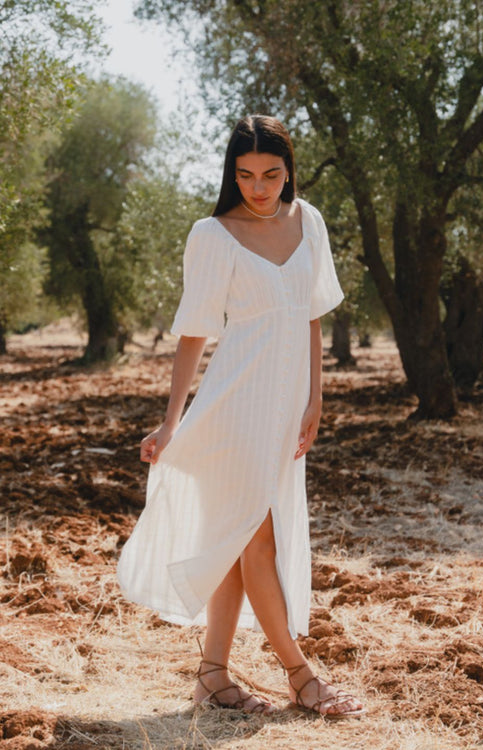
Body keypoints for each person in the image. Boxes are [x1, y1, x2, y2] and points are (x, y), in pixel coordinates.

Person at [117, 115, 364, 718]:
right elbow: (195, 331)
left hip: (284, 412)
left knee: (235, 538)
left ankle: (212, 676)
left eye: (272, 174)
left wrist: (317, 397)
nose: (259, 187)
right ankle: (301, 676)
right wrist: (172, 419)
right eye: (246, 174)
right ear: (232, 174)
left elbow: (311, 314)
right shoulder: (213, 233)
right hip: (233, 407)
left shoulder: (308, 221)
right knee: (256, 539)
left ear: (289, 171)